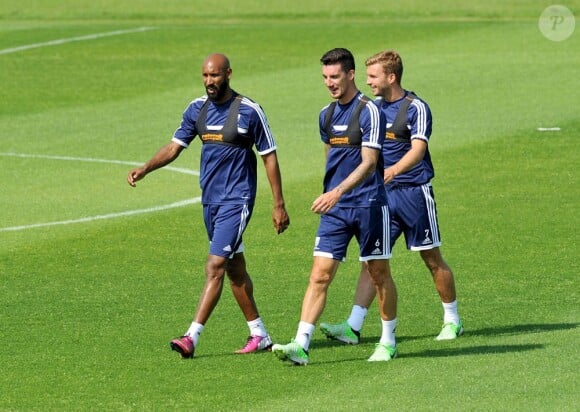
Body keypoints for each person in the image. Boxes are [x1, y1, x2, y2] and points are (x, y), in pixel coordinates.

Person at [127, 53, 290, 358]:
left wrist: (278, 204)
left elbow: (269, 156)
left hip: (237, 200)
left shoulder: (249, 111)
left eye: (214, 76)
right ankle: (260, 334)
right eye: (205, 76)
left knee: (214, 265)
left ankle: (191, 337)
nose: (209, 82)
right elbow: (175, 147)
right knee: (234, 269)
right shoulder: (196, 109)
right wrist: (146, 168)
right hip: (211, 201)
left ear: (228, 74)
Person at [319, 49, 463, 344]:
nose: (368, 81)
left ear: (391, 77)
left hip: (413, 192)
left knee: (431, 257)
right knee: (373, 261)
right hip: (382, 197)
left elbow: (418, 150)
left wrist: (393, 170)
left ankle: (452, 319)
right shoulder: (371, 109)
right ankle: (353, 326)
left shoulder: (415, 108)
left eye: (373, 76)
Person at [271, 48, 398, 365]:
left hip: (369, 205)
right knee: (319, 276)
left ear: (351, 74)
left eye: (335, 76)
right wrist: (332, 193)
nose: (329, 83)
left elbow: (369, 163)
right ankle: (301, 344)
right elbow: (332, 157)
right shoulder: (325, 116)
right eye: (325, 77)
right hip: (336, 210)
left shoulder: (370, 112)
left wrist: (337, 191)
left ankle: (388, 340)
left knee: (378, 273)